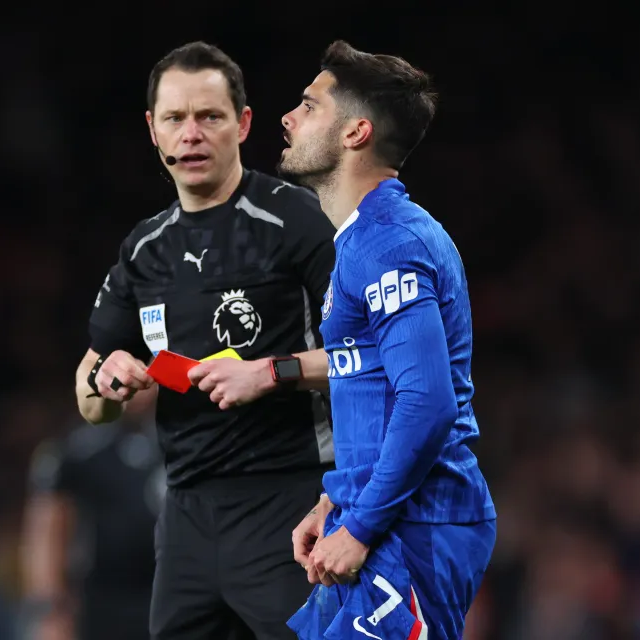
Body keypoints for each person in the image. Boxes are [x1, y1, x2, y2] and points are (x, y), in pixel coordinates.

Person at [194, 40, 497, 640]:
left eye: (308, 106)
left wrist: (361, 525)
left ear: (355, 132)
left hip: (415, 526)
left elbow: (427, 400)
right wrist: (339, 501)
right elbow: (370, 367)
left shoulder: (390, 243)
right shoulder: (364, 241)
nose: (288, 117)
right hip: (382, 517)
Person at [74, 41, 338, 640]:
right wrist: (106, 381)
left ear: (242, 124)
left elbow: (371, 353)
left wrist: (271, 371)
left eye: (209, 116)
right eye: (175, 119)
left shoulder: (296, 220)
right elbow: (90, 390)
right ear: (153, 131)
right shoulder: (144, 249)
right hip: (187, 514)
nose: (191, 134)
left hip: (290, 501)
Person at [21, 387, 160, 640]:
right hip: (103, 602)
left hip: (172, 596)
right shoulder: (81, 446)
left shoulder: (184, 438)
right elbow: (48, 523)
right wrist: (49, 610)